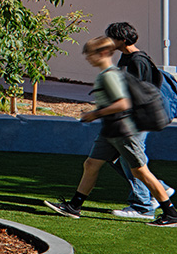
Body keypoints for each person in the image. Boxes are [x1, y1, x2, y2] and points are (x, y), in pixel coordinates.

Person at [44, 36, 177, 225]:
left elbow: (123, 103)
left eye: (90, 54)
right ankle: (74, 207)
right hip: (111, 131)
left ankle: (170, 213)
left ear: (103, 53)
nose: (88, 58)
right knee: (91, 164)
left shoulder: (110, 75)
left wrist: (95, 114)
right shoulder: (107, 74)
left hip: (123, 131)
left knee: (140, 172)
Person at [107, 21, 168, 219]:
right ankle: (161, 189)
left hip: (137, 119)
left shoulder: (138, 61)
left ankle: (142, 206)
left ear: (122, 39)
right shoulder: (126, 58)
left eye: (112, 37)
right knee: (118, 157)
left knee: (131, 160)